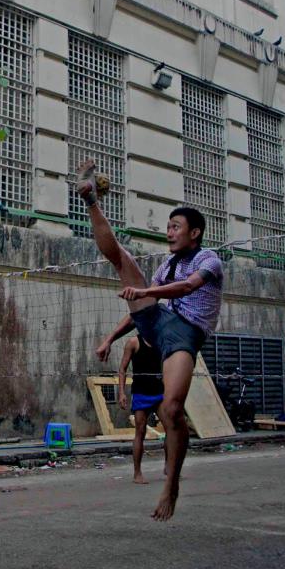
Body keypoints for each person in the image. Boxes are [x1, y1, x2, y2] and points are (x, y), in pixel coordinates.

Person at [84, 160, 224, 522]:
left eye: (176, 227)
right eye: (168, 227)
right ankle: (91, 201)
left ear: (194, 232)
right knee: (122, 258)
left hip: (185, 332)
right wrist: (109, 339)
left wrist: (146, 290)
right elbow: (139, 308)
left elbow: (187, 287)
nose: (169, 232)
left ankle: (172, 485)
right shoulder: (165, 266)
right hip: (157, 325)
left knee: (172, 409)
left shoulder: (209, 259)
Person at [117, 333, 164, 485]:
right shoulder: (133, 342)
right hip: (141, 393)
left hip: (159, 392)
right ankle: (137, 473)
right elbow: (122, 368)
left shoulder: (161, 340)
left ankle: (169, 468)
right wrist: (122, 392)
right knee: (140, 431)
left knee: (171, 428)